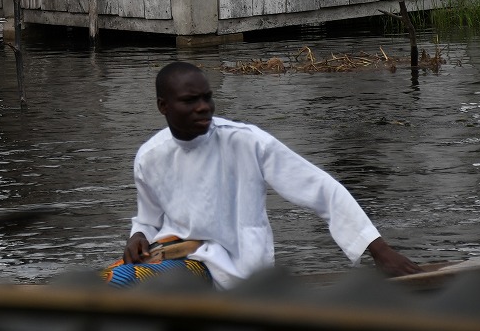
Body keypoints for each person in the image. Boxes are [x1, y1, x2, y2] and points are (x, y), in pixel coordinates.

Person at [118, 61, 421, 290]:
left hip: (237, 270)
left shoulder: (246, 142)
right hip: (176, 256)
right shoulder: (150, 157)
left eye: (207, 98)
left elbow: (321, 190)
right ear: (163, 106)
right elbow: (148, 219)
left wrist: (380, 250)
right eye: (190, 100)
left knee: (128, 285)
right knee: (114, 279)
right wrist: (137, 236)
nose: (203, 108)